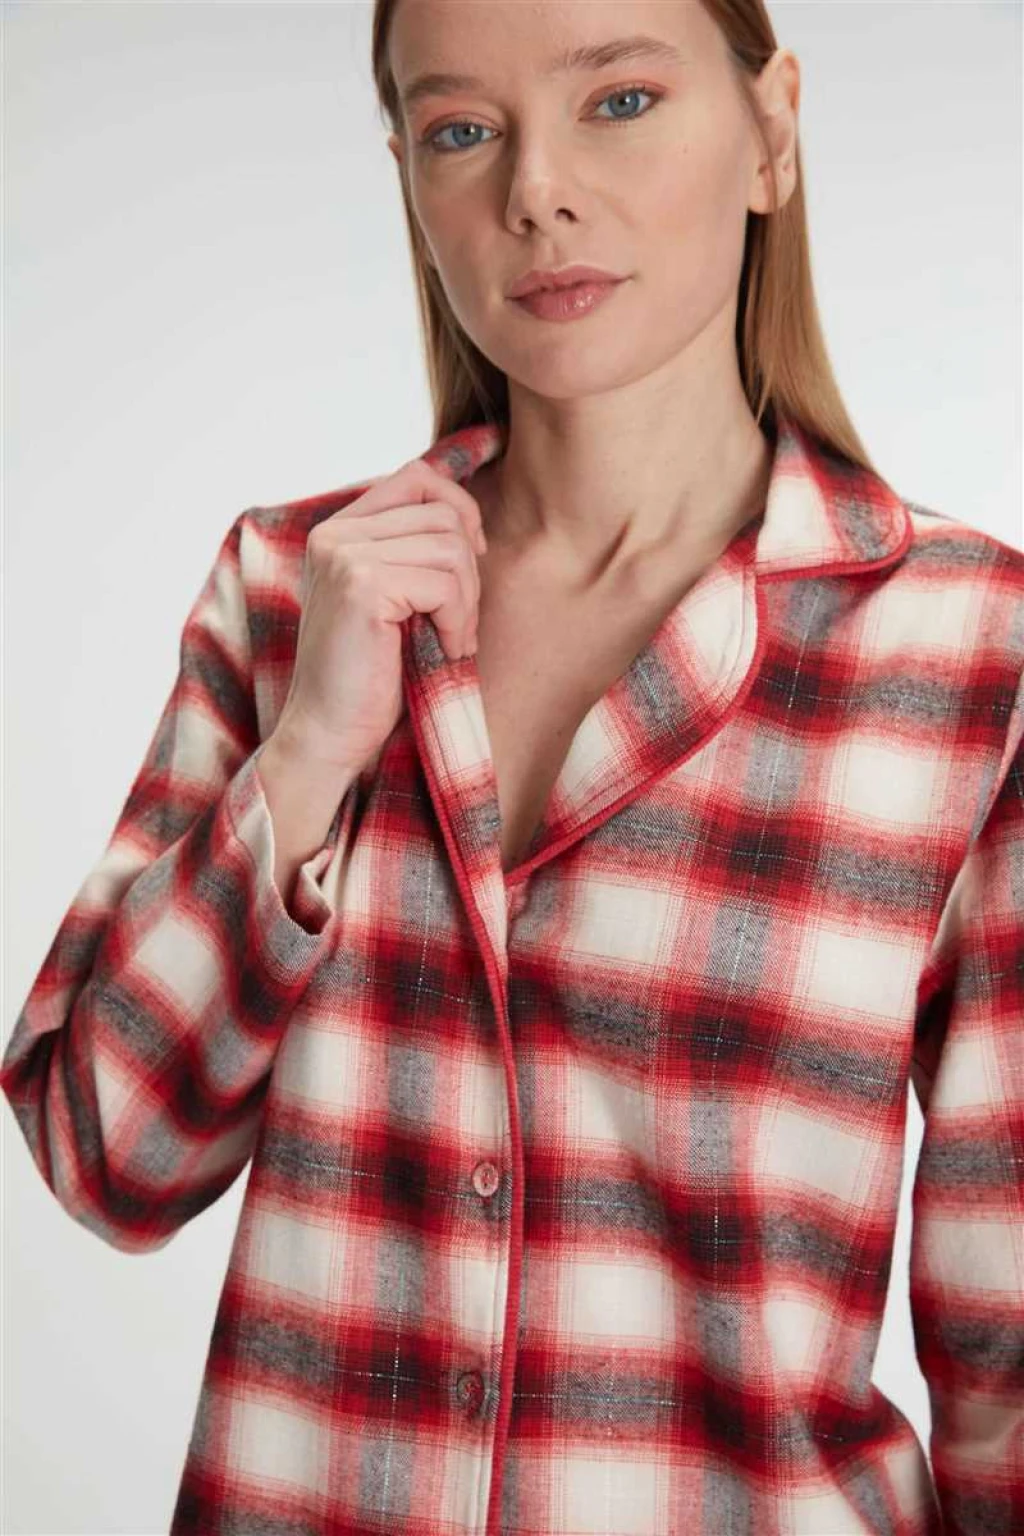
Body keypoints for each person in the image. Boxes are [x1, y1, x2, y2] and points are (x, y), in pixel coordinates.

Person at [3, 1, 1021, 1532]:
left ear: (771, 131)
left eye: (619, 99)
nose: (535, 191)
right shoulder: (289, 594)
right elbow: (107, 1159)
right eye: (462, 130)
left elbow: (1009, 1348)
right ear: (408, 176)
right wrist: (311, 756)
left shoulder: (971, 655)